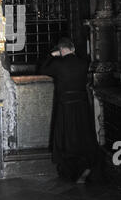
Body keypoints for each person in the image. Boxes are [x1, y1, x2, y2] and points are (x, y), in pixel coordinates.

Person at [38, 37, 100, 184]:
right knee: (83, 135)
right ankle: (87, 165)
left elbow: (41, 69)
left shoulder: (58, 65)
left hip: (65, 106)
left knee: (66, 137)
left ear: (60, 50)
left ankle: (73, 171)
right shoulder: (83, 63)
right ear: (72, 49)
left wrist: (51, 56)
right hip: (82, 106)